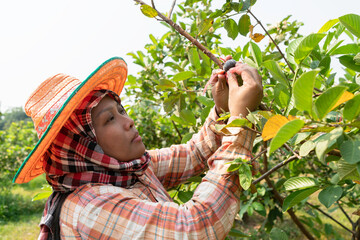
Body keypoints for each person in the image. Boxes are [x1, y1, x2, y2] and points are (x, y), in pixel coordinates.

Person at [13, 56, 263, 239]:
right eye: (109, 119)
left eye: (120, 110)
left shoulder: (129, 170)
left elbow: (193, 154)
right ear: (82, 145)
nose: (129, 121)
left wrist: (223, 112)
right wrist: (240, 125)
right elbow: (195, 228)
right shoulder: (88, 208)